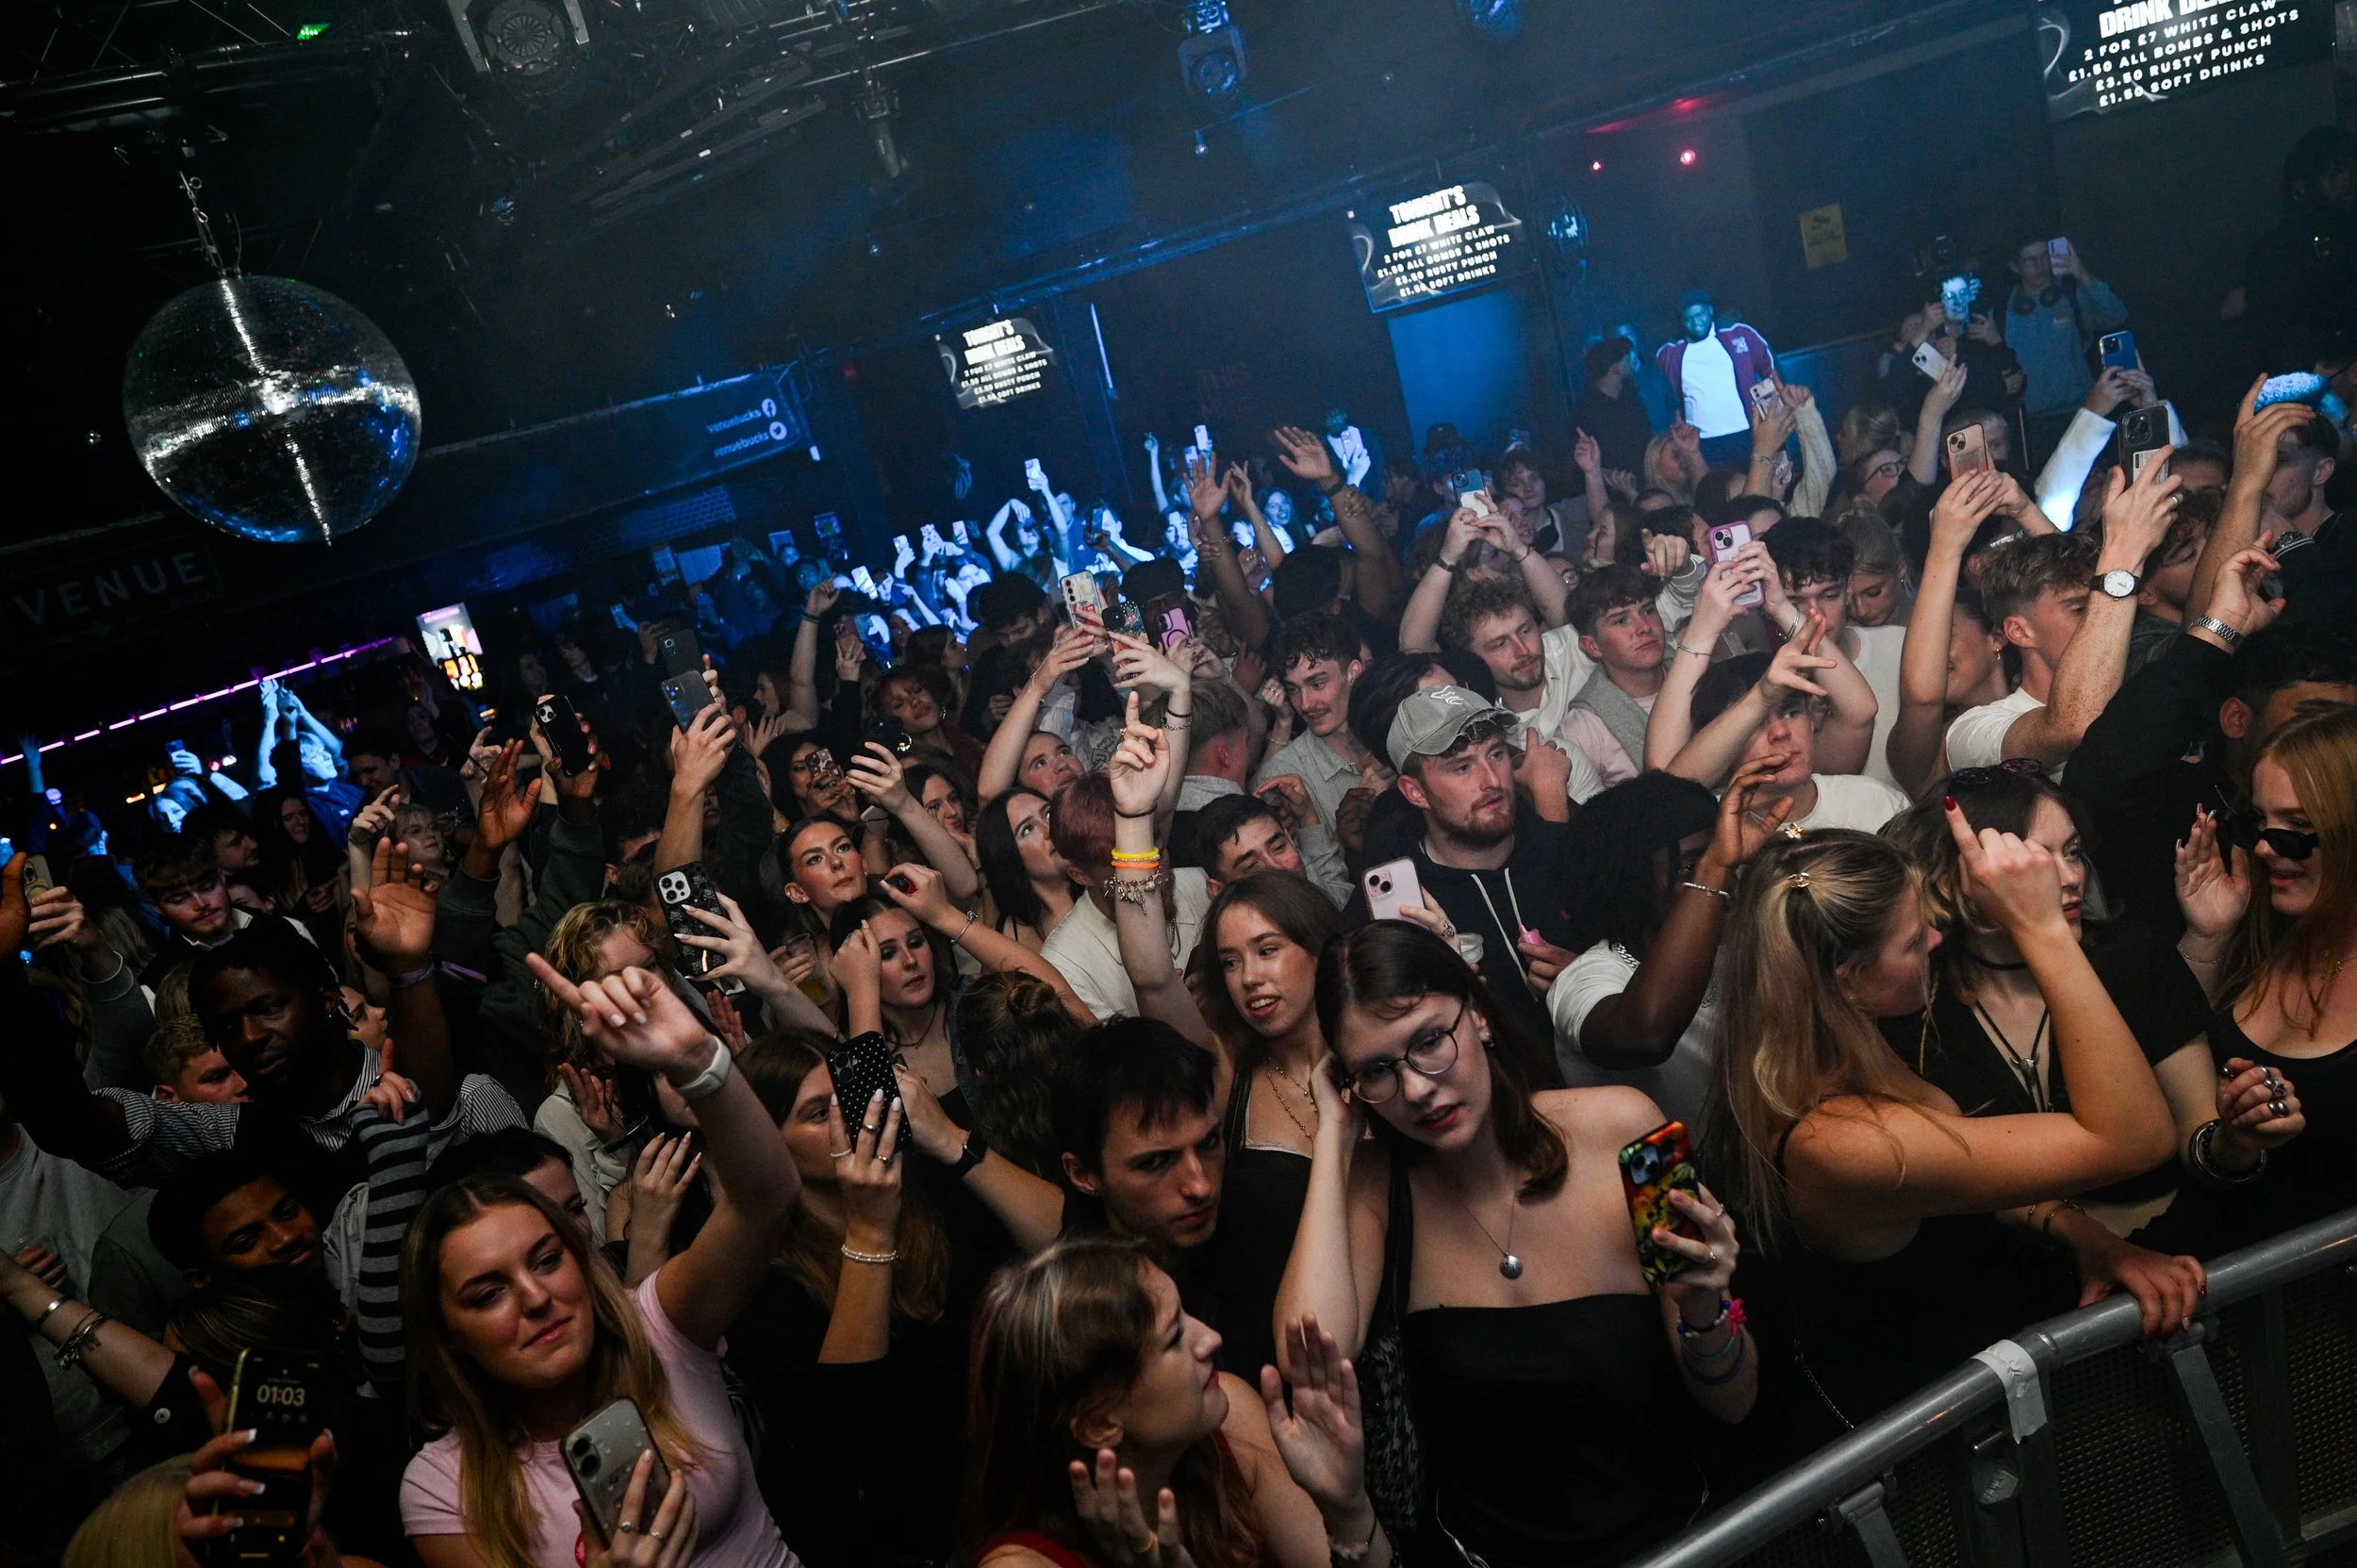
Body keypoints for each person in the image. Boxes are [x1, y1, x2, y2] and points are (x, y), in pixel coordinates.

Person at [1279, 920, 1752, 1568]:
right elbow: (1308, 1353)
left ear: (1477, 1015)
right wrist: (1333, 1137)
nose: (1416, 1088)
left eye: (1428, 1041)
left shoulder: (1628, 1129)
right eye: (1377, 1071)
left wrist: (1705, 1314)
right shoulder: (1377, 1187)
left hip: (1680, 1544)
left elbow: (1734, 1400)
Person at [1700, 822, 2185, 1447]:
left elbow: (1957, 1176)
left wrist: (2086, 1235)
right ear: (1846, 978)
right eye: (1911, 940)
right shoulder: (1840, 1139)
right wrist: (2043, 930)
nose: (1935, 938)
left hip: (1974, 1373)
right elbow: (2136, 1137)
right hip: (1934, 1442)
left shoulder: (1827, 1045)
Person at [401, 955, 800, 1568]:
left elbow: (765, 1200)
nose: (536, 1296)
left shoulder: (661, 1328)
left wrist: (697, 1062)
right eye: (487, 1293)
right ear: (449, 1334)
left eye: (546, 1258)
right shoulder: (442, 1485)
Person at [962, 1234, 1392, 1568]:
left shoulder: (1231, 1420)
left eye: (1186, 1313)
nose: (1211, 1339)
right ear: (1098, 1424)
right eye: (1173, 1338)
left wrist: (1346, 1508)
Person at [2174, 706, 2357, 1246]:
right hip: (2218, 1261)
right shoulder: (2265, 931)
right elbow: (2175, 1074)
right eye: (2259, 822)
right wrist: (2208, 936)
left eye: (2298, 829)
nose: (2263, 847)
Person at [1548, 763, 1788, 1129]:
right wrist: (1715, 868)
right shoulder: (1587, 979)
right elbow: (1645, 1036)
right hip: (1659, 1175)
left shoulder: (1733, 941)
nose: (1725, 883)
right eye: (1690, 868)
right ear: (1630, 882)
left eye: (1725, 859)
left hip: (1751, 1163)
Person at [1347, 686, 1581, 1049]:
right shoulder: (1402, 909)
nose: (1491, 780)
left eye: (1497, 754)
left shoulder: (1566, 845)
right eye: (1462, 766)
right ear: (1415, 792)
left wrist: (1589, 975)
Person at [1944, 458, 2183, 777]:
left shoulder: (2138, 685)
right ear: (2019, 631)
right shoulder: (1975, 731)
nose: (2103, 616)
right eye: (2082, 610)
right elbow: (2073, 724)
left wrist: (2025, 510)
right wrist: (2124, 553)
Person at [2000, 238, 2129, 461]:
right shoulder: (2001, 312)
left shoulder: (2072, 295)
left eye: (2044, 257)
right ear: (2014, 266)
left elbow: (2117, 315)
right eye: (2030, 260)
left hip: (2083, 411)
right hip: (2030, 424)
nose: (2040, 265)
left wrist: (2083, 276)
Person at [1656, 290, 1777, 468]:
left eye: (1700, 314)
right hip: (1701, 442)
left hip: (1746, 432)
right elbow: (1664, 395)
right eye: (1688, 318)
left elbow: (1771, 369)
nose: (1696, 322)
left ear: (1710, 311)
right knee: (1716, 492)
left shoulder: (1738, 333)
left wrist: (1765, 410)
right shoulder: (1670, 353)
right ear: (1682, 321)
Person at [1573, 336, 1656, 477]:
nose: (1632, 364)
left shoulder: (1633, 400)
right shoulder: (1586, 413)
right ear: (1615, 369)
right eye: (1627, 360)